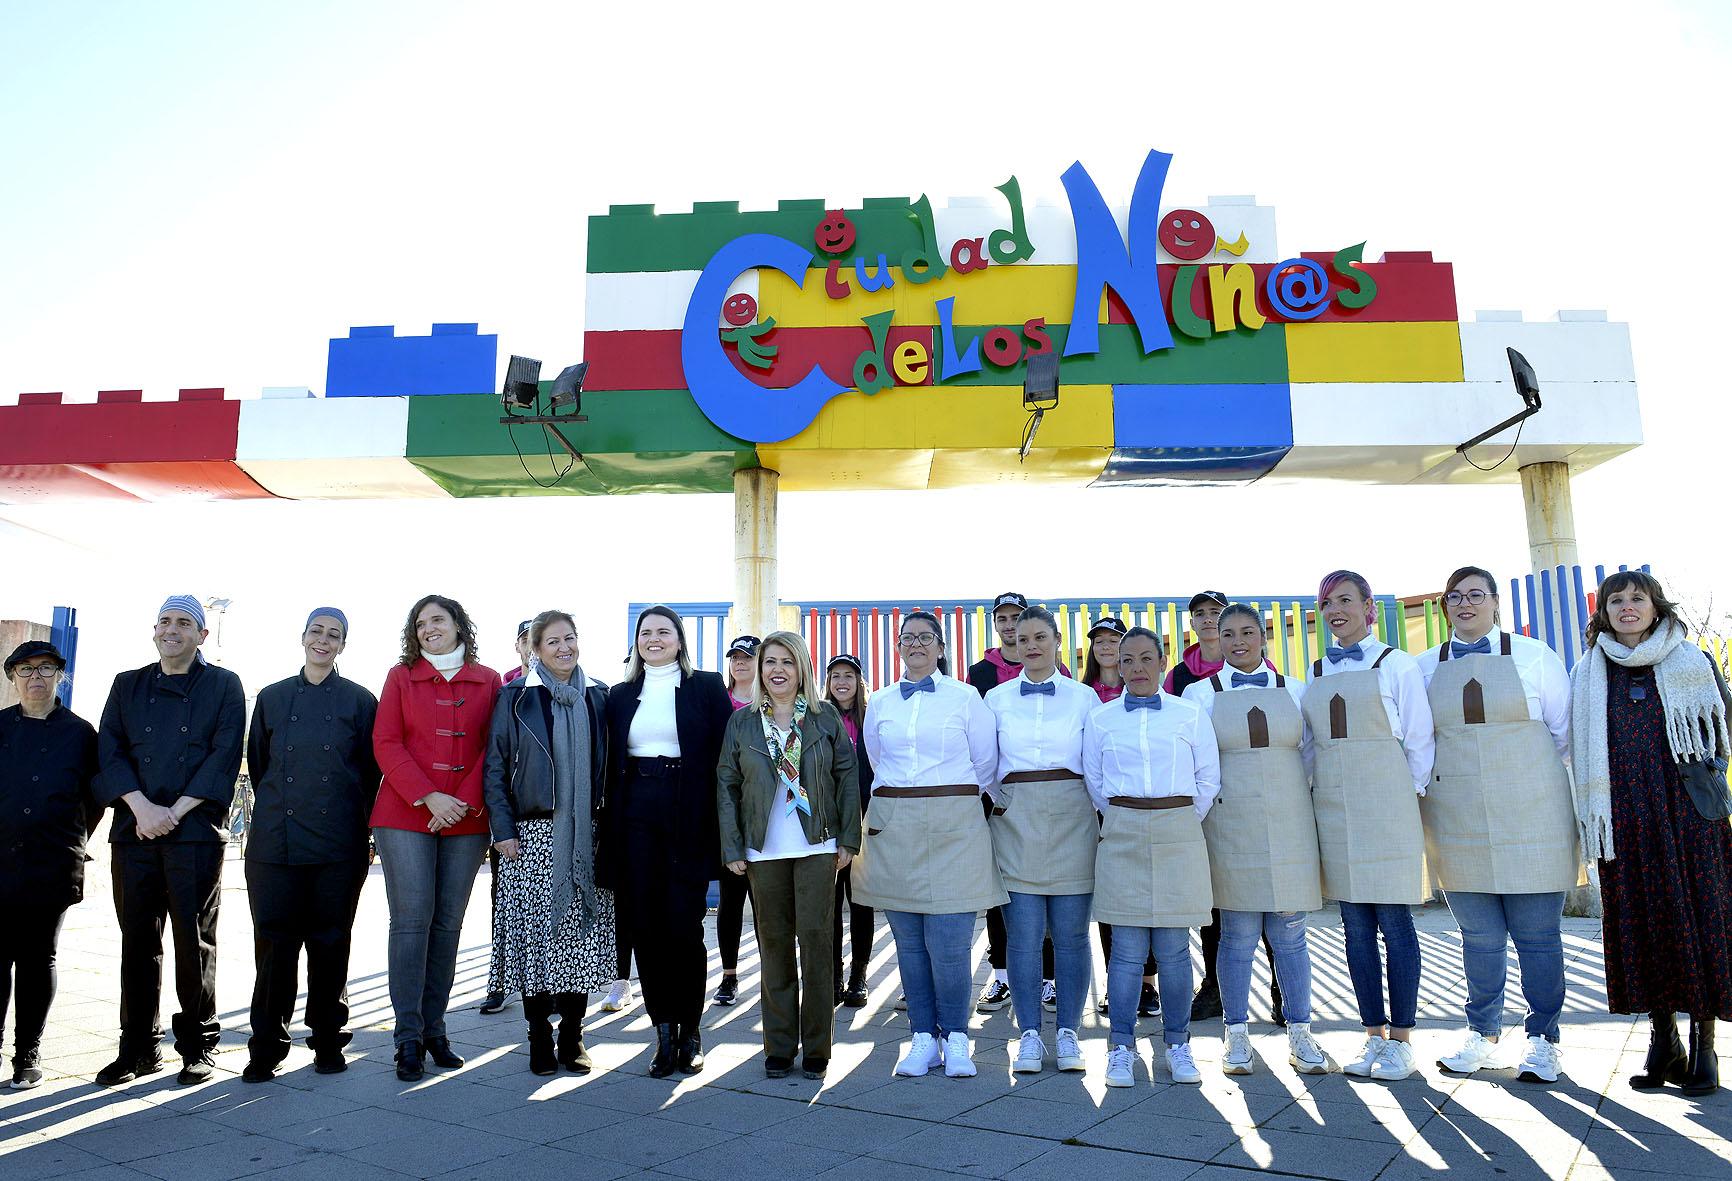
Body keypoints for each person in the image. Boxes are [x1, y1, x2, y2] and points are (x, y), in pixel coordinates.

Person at [1416, 566, 1581, 1085]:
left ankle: (1543, 1040)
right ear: (1445, 607)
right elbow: (1417, 740)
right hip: (1457, 815)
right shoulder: (1422, 667)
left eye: (1476, 595)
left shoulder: (1536, 658)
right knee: (1479, 936)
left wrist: (1518, 776)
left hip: (1533, 812)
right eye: (1455, 597)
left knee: (1537, 935)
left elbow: (1564, 734)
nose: (1465, 604)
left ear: (1495, 603)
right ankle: (1481, 1034)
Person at [1570, 571, 1732, 1096]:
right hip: (1625, 821)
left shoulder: (1692, 660)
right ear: (1604, 613)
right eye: (1616, 600)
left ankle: (1704, 1045)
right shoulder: (1590, 672)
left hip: (1689, 818)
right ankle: (1664, 1042)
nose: (1627, 606)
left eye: (1637, 598)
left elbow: (1721, 728)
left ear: (1656, 606)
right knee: (1645, 923)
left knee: (1700, 920)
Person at [93, 596, 246, 1087]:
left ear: (202, 636)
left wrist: (173, 812)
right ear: (154, 631)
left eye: (185, 622)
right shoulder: (127, 684)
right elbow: (109, 750)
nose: (172, 629)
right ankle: (136, 1048)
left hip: (195, 831)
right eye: (165, 621)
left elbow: (224, 755)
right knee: (137, 942)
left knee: (193, 940)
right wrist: (141, 808)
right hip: (134, 830)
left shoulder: (224, 685)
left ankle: (198, 1046)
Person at [1183, 605, 1334, 1076]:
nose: (1238, 641)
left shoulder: (1296, 690)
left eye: (1248, 632)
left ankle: (1302, 1035)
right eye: (1228, 634)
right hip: (1230, 828)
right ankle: (1236, 1037)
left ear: (1264, 636)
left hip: (1289, 824)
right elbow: (1198, 764)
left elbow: (1311, 756)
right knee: (1237, 937)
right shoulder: (1198, 694)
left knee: (1291, 936)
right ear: (1217, 641)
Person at [854, 610, 1002, 1079]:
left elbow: (986, 765)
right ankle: (922, 1036)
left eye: (925, 637)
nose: (915, 643)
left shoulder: (966, 698)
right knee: (910, 943)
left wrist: (950, 804)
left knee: (952, 942)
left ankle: (957, 1037)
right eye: (907, 637)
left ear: (941, 647)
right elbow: (876, 761)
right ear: (897, 647)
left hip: (953, 821)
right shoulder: (878, 701)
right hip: (895, 822)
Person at [1305, 570, 1434, 1082]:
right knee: (1355, 928)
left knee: (1395, 924)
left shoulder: (1395, 664)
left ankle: (1402, 1040)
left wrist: (1407, 795)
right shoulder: (1315, 671)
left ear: (1369, 608)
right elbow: (1310, 747)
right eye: (1326, 603)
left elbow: (1420, 738)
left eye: (1344, 600)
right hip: (1336, 805)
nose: (1335, 610)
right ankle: (1372, 1036)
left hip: (1388, 802)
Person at [242, 609, 379, 1083]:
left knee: (330, 943)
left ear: (344, 645)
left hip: (338, 842)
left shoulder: (361, 701)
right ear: (302, 637)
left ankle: (327, 1040)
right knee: (274, 948)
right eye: (317, 632)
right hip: (274, 843)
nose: (324, 640)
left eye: (334, 635)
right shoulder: (273, 697)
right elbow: (259, 764)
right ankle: (266, 1046)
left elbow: (369, 772)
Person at [718, 631, 861, 1079]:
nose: (777, 670)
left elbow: (846, 777)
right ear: (760, 671)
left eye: (787, 661)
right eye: (769, 662)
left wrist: (848, 840)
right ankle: (779, 1045)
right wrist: (732, 844)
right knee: (774, 949)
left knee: (818, 947)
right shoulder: (742, 723)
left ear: (802, 668)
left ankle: (818, 1047)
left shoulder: (823, 720)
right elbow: (727, 784)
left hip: (817, 846)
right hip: (763, 851)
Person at [371, 594, 501, 1081]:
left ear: (458, 625)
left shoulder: (487, 680)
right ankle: (407, 1037)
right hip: (405, 813)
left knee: (447, 923)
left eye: (437, 620)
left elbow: (495, 745)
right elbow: (386, 741)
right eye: (420, 623)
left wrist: (460, 800)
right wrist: (429, 796)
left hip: (467, 815)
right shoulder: (400, 677)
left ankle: (434, 1030)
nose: (428, 629)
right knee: (411, 920)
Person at [1086, 626, 1219, 1087]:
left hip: (1179, 828)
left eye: (1146, 659)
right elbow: (1095, 782)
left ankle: (1178, 1045)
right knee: (1125, 952)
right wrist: (1128, 817)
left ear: (1163, 662)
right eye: (1127, 661)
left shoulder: (1190, 713)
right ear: (1116, 666)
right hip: (1121, 828)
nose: (1137, 668)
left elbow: (1208, 778)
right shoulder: (1101, 719)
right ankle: (1120, 1046)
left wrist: (1176, 820)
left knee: (1175, 951)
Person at [604, 605, 733, 1078]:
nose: (654, 639)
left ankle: (691, 1031)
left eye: (664, 631)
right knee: (645, 928)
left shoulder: (707, 687)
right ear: (636, 642)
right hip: (636, 813)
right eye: (646, 633)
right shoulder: (618, 696)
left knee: (684, 927)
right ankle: (662, 1031)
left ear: (680, 640)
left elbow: (727, 760)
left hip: (689, 815)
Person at [483, 611, 614, 1076]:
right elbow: (495, 766)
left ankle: (574, 1035)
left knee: (578, 943)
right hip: (531, 835)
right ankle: (538, 1034)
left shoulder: (600, 695)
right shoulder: (515, 698)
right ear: (534, 649)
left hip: (586, 835)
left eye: (570, 638)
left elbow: (612, 769)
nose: (564, 647)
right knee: (538, 942)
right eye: (553, 641)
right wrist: (501, 830)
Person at [985, 606, 1097, 1075]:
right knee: (1023, 936)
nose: (1030, 645)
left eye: (1039, 637)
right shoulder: (994, 698)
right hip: (1016, 819)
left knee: (1071, 936)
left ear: (1056, 641)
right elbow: (984, 763)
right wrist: (1007, 803)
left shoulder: (1085, 697)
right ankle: (1028, 1033)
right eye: (1022, 638)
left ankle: (1068, 1032)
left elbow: (1098, 761)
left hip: (1073, 815)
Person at [0, 641, 99, 1089]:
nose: (35, 676)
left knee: (39, 958)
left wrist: (71, 841)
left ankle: (28, 1053)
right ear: (12, 677)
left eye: (44, 668)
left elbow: (94, 800)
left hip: (52, 861)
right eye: (25, 669)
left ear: (60, 675)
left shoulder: (81, 734)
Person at [965, 592, 1061, 1013]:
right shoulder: (981, 674)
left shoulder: (1064, 682)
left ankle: (1051, 976)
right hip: (1001, 796)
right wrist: (994, 793)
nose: (1009, 626)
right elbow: (981, 744)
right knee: (1001, 888)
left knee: (1055, 889)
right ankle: (1001, 974)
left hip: (1055, 803)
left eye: (1016, 619)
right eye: (1002, 619)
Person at [1165, 590, 1246, 1023]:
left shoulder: (1258, 667)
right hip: (1205, 798)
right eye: (1202, 614)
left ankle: (1277, 988)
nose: (1209, 620)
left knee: (1261, 893)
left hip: (1251, 792)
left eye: (1217, 612)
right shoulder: (1179, 676)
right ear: (1192, 623)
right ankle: (1213, 986)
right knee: (1212, 896)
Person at [1084, 616, 1159, 1019]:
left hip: (1148, 811)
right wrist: (1108, 810)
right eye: (1100, 641)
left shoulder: (1155, 693)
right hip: (1102, 813)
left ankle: (1148, 984)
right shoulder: (1083, 696)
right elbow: (1090, 768)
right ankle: (1118, 982)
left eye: (1115, 640)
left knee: (1150, 896)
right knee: (1113, 899)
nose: (1107, 647)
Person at [482, 619, 536, 1015]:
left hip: (554, 818)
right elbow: (495, 758)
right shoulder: (506, 688)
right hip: (511, 817)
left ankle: (542, 981)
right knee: (505, 904)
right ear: (518, 646)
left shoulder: (577, 688)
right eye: (527, 639)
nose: (533, 646)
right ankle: (499, 981)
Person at [822, 653, 876, 1007]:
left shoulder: (872, 718)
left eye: (849, 676)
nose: (842, 682)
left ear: (859, 682)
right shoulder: (817, 717)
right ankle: (834, 971)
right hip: (828, 821)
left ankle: (858, 972)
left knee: (860, 901)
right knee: (828, 903)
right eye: (835, 676)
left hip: (866, 818)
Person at [713, 634, 760, 1008]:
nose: (740, 662)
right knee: (731, 899)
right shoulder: (717, 702)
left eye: (748, 656)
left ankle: (771, 973)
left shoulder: (772, 704)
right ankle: (729, 975)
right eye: (735, 656)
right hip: (727, 812)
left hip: (765, 815)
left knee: (767, 901)